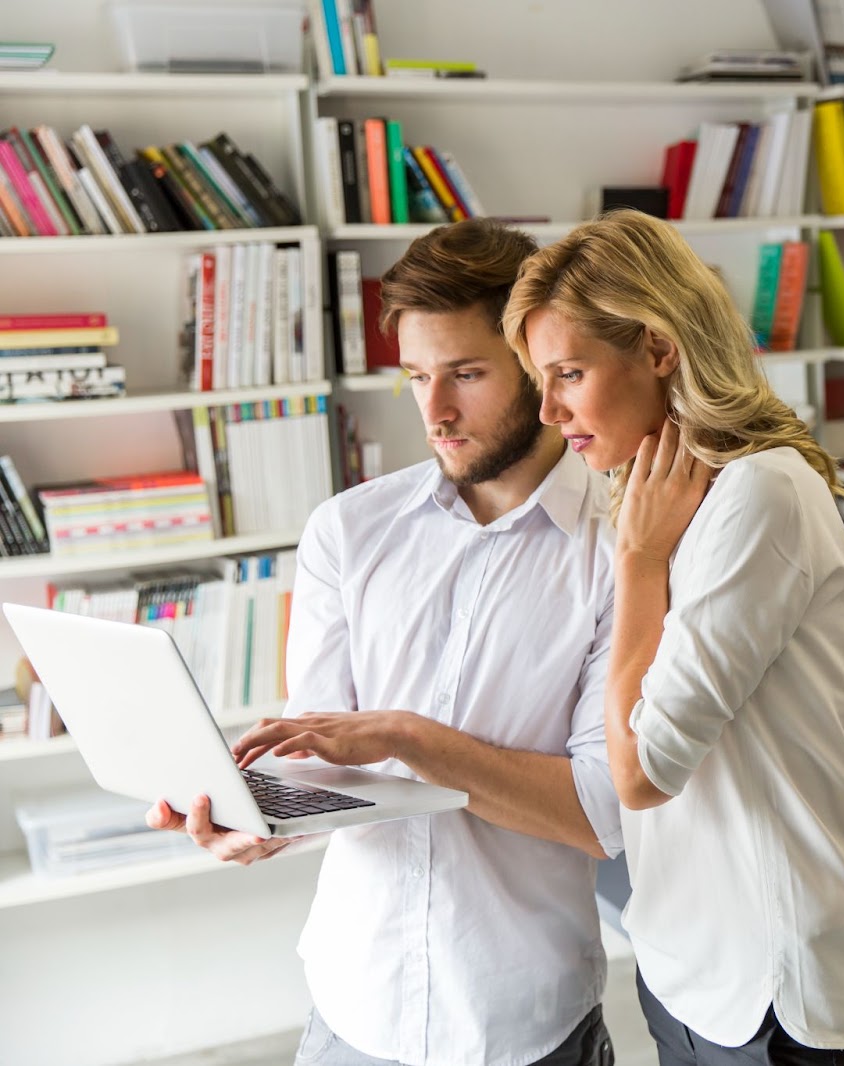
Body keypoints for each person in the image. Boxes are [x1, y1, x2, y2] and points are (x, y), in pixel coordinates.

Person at [148, 220, 623, 1066]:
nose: (434, 410)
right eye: (415, 376)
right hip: (353, 1005)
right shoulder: (348, 531)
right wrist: (255, 813)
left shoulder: (622, 549)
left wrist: (409, 738)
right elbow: (319, 749)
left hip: (522, 1021)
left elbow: (598, 815)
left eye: (467, 374)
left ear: (539, 367)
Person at [504, 209, 844, 1065]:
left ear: (657, 348)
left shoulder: (758, 496)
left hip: (778, 992)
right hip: (688, 969)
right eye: (541, 379)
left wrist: (641, 564)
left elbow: (643, 772)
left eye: (568, 373)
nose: (549, 409)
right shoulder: (654, 500)